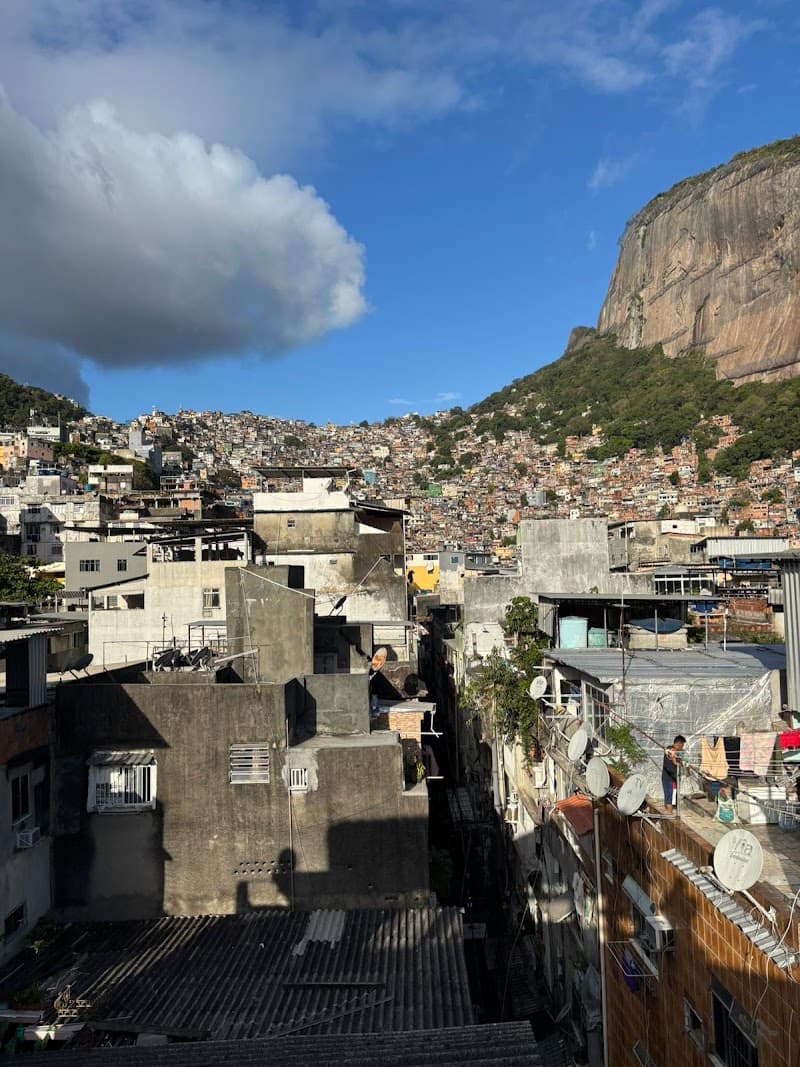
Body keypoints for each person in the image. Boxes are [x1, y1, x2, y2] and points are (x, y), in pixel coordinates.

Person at [662, 735, 686, 815]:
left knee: (673, 793)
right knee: (669, 793)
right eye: (682, 745)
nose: (682, 747)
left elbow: (681, 762)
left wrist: (683, 762)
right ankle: (669, 810)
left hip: (675, 777)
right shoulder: (670, 750)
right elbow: (673, 761)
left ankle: (670, 809)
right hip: (669, 777)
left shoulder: (678, 753)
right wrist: (675, 757)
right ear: (678, 743)